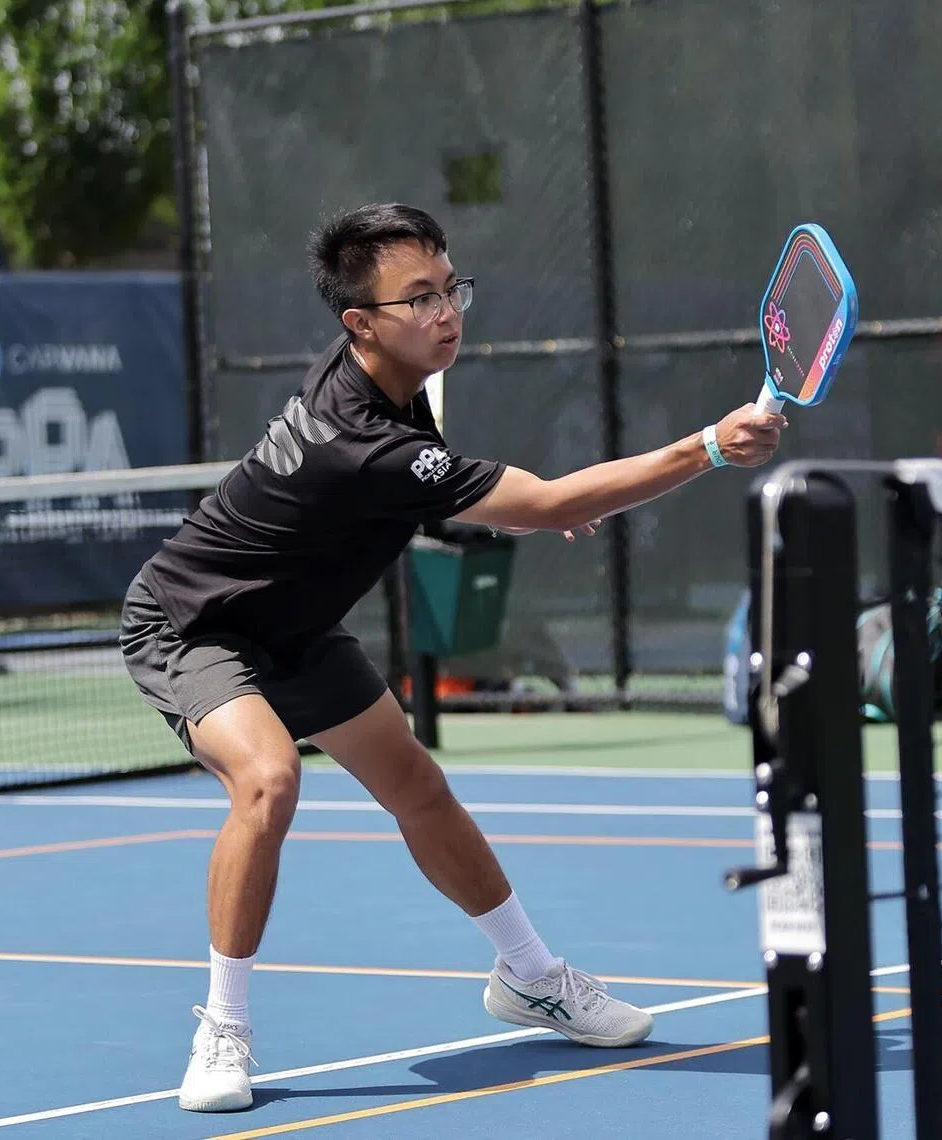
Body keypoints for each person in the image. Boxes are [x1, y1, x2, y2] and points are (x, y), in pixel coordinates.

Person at [119, 202, 786, 1114]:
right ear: (360, 325)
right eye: (418, 299)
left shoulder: (389, 383)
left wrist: (535, 503)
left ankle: (530, 975)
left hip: (297, 631)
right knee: (269, 779)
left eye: (449, 288)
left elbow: (479, 496)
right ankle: (222, 1027)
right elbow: (538, 500)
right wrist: (707, 447)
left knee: (420, 788)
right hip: (192, 624)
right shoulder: (361, 442)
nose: (446, 313)